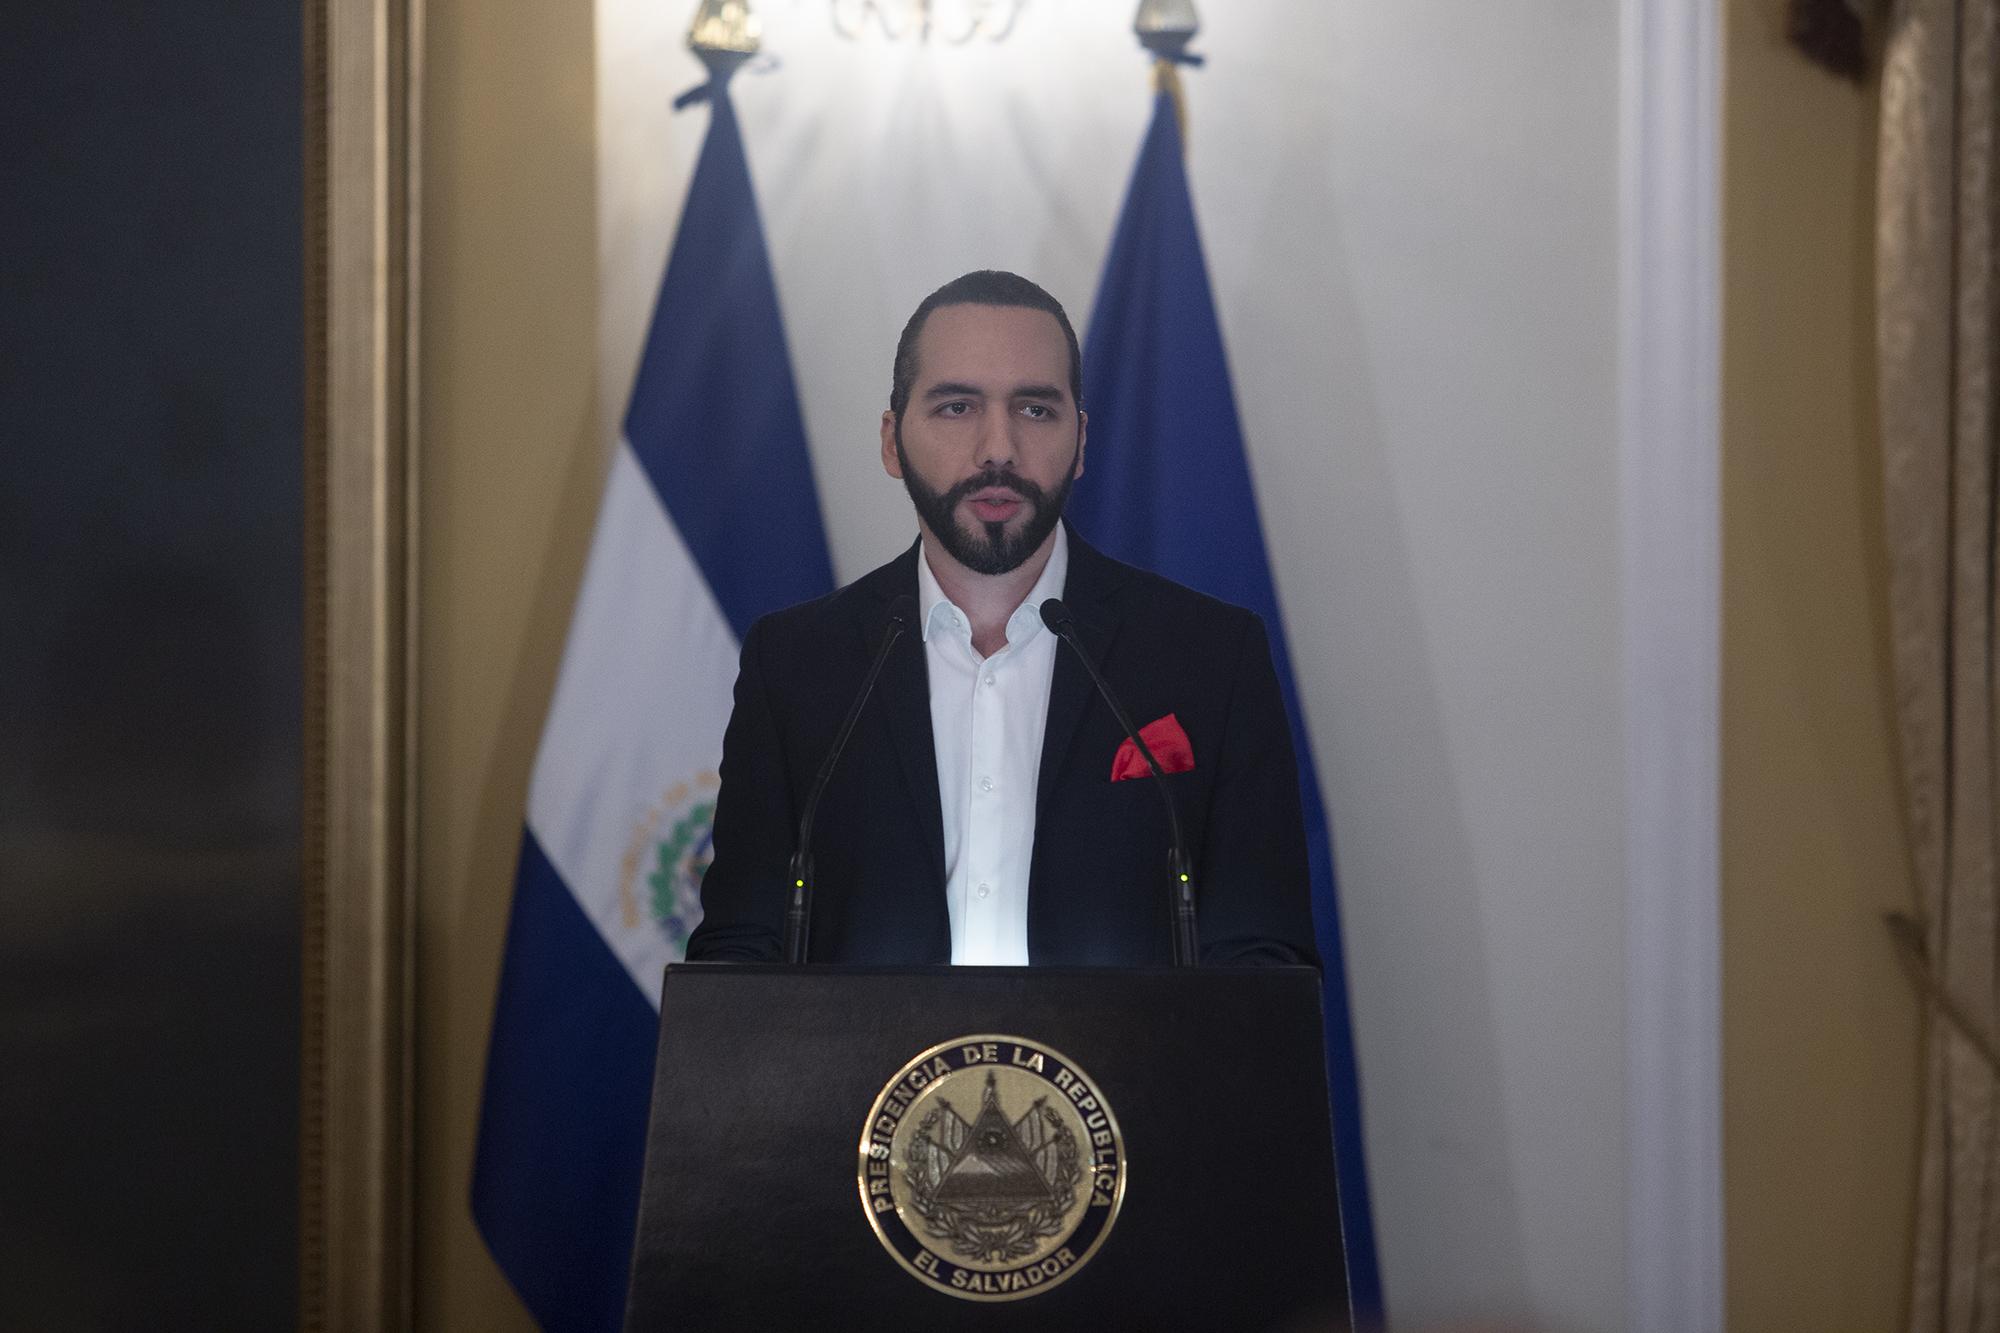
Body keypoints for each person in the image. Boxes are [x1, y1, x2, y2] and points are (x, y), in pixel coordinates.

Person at [686, 270, 1317, 966]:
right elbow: (738, 959)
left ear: (1080, 441)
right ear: (893, 442)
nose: (998, 448)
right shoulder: (798, 666)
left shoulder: (1209, 659)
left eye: (1035, 410)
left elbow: (1266, 969)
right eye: (957, 407)